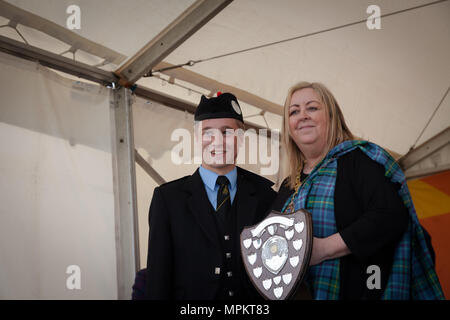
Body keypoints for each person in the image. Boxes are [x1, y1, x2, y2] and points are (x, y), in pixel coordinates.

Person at [271, 81, 444, 299]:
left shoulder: (358, 161)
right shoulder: (287, 186)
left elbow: (390, 215)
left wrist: (322, 249)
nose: (302, 115)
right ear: (289, 127)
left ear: (332, 117)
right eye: (294, 112)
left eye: (312, 108)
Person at [145, 92, 276, 299]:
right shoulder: (168, 200)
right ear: (196, 138)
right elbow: (157, 282)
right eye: (208, 132)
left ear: (240, 139)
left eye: (227, 132)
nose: (217, 141)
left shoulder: (265, 196)